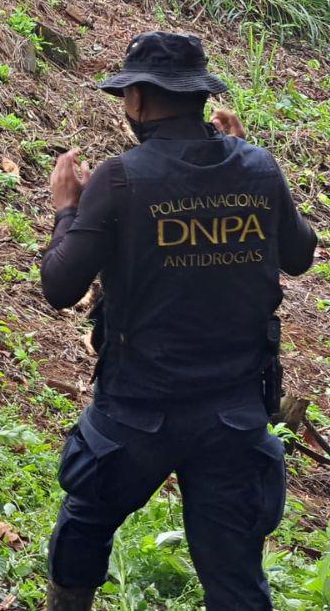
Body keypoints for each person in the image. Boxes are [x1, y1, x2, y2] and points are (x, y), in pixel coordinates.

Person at [40, 32, 317, 610]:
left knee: (83, 536)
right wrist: (249, 174)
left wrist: (68, 209)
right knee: (236, 580)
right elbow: (299, 254)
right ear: (199, 96)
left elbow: (60, 287)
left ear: (137, 100)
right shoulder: (257, 167)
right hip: (235, 416)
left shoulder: (119, 178)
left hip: (136, 412)